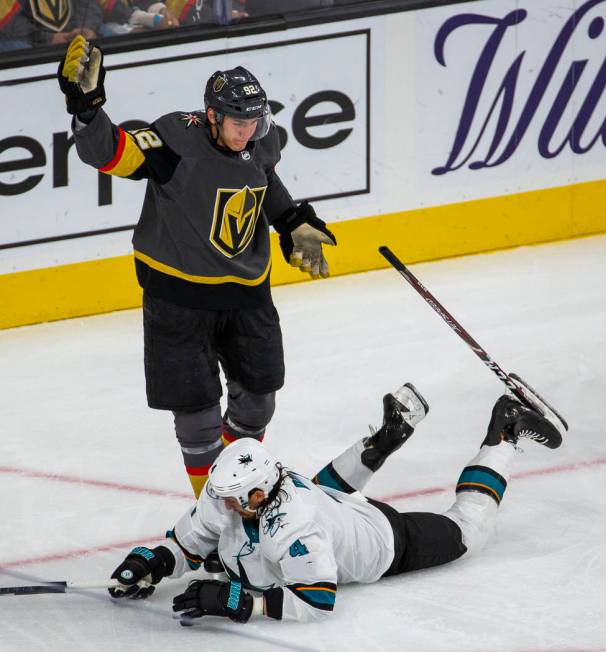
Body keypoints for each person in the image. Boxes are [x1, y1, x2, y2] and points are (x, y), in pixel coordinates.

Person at [57, 36, 336, 499]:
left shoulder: (261, 142)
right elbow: (112, 153)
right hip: (178, 297)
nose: (247, 131)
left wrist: (292, 223)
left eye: (254, 120)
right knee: (197, 413)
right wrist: (87, 110)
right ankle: (217, 512)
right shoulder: (174, 139)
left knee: (258, 401)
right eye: (238, 121)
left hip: (248, 293)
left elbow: (264, 182)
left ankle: (239, 485)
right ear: (212, 115)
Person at [107, 382, 563, 623]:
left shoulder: (294, 527)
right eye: (221, 495)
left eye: (231, 499)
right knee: (322, 499)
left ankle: (503, 433)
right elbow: (188, 543)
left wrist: (240, 602)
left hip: (385, 540)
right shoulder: (231, 493)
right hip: (330, 507)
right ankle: (382, 441)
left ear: (259, 494)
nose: (219, 505)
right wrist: (156, 562)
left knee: (470, 531)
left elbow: (317, 601)